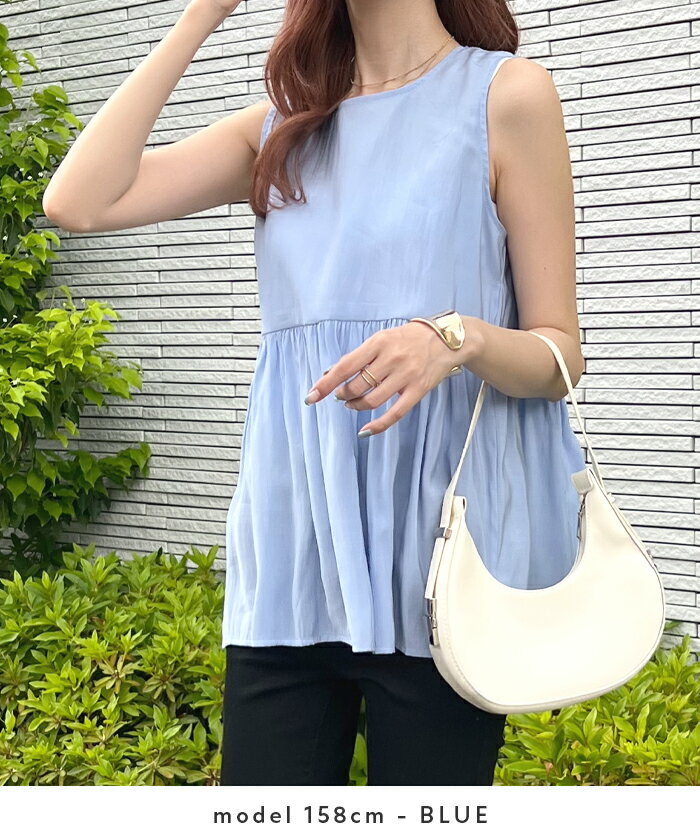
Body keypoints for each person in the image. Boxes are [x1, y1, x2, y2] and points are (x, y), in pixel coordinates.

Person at [42, 0, 586, 786]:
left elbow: (559, 355)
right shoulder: (278, 130)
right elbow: (78, 202)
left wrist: (453, 339)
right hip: (292, 566)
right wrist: (200, 17)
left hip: (440, 569)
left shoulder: (506, 96)